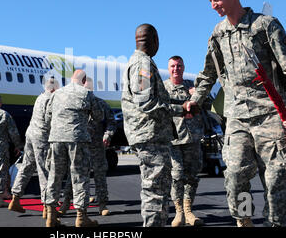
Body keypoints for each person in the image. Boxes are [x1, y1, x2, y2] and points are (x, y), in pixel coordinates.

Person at [185, 0, 286, 227]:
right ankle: (244, 222)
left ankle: (276, 224)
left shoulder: (265, 26)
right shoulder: (218, 34)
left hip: (271, 114)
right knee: (235, 178)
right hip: (237, 118)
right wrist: (195, 100)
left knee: (275, 180)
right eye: (210, 1)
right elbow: (208, 73)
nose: (213, 6)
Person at [121, 24, 194, 227]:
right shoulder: (143, 64)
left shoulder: (138, 62)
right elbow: (146, 102)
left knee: (157, 189)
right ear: (154, 40)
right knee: (156, 192)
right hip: (150, 136)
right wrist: (182, 110)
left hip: (148, 135)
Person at [44, 70, 104, 227]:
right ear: (84, 80)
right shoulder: (86, 93)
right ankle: (81, 217)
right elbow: (99, 116)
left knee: (54, 176)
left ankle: (51, 216)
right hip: (77, 139)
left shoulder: (57, 94)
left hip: (56, 139)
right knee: (80, 176)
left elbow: (47, 116)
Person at [58, 77, 117, 217]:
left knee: (100, 176)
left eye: (89, 88)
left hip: (97, 146)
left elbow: (111, 122)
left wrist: (107, 135)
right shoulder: (75, 103)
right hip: (79, 146)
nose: (87, 90)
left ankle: (102, 205)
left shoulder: (101, 104)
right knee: (74, 177)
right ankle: (66, 203)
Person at [164, 55, 208, 227]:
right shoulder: (163, 88)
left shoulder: (191, 85)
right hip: (173, 139)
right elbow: (160, 109)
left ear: (183, 67)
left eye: (179, 66)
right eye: (173, 66)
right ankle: (178, 212)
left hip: (193, 137)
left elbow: (208, 104)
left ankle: (189, 210)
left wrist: (197, 95)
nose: (176, 69)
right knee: (176, 175)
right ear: (169, 69)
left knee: (192, 175)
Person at [8, 76, 60, 218]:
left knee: (27, 166)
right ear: (54, 88)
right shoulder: (51, 99)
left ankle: (15, 198)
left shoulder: (40, 97)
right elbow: (51, 120)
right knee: (44, 171)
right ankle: (47, 206)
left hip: (31, 134)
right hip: (42, 137)